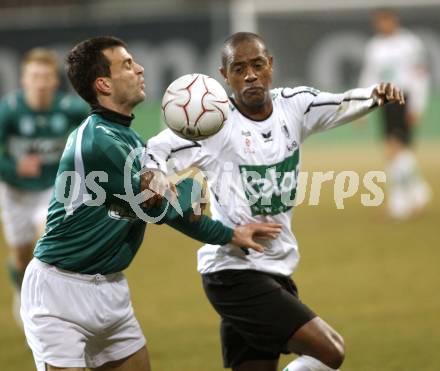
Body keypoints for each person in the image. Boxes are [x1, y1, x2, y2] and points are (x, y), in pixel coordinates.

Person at [144, 32, 405, 371]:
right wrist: (154, 175)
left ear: (271, 65)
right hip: (232, 271)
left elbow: (340, 103)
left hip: (276, 265)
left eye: (257, 64)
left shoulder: (294, 105)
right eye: (239, 69)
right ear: (225, 76)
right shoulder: (213, 124)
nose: (250, 75)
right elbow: (155, 150)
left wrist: (374, 95)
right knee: (329, 351)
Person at [19, 36, 280, 371]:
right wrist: (188, 189)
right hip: (59, 293)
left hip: (111, 288)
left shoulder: (129, 139)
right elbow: (156, 206)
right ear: (103, 83)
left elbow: (170, 209)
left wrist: (229, 234)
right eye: (127, 64)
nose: (140, 68)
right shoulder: (97, 141)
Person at [0, 47, 88, 325]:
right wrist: (15, 167)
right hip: (14, 192)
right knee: (21, 256)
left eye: (45, 77)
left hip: (51, 190)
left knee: (47, 245)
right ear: (23, 80)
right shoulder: (9, 111)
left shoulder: (71, 110)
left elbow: (94, 135)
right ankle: (20, 287)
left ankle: (49, 311)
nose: (40, 82)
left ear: (54, 81)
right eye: (34, 76)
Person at [359, 8, 431, 219]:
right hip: (385, 100)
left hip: (403, 98)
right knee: (397, 152)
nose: (382, 26)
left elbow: (420, 75)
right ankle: (419, 193)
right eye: (378, 22)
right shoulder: (374, 47)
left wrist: (417, 105)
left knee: (394, 150)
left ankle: (400, 204)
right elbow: (369, 75)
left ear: (394, 21)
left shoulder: (410, 44)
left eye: (385, 21)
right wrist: (362, 106)